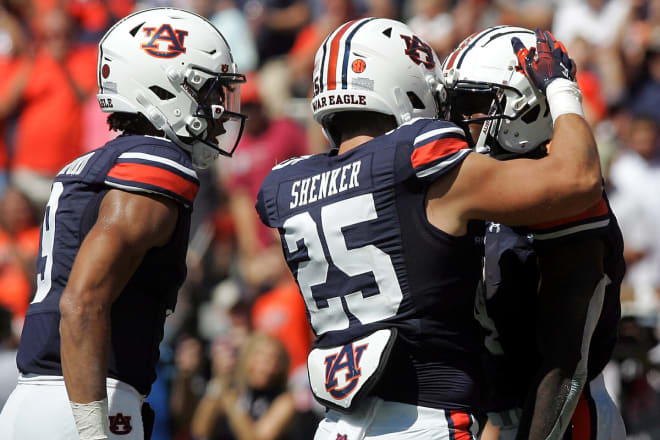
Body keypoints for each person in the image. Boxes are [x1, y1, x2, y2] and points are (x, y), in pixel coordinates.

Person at [255, 18, 602, 439]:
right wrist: (561, 87)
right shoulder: (415, 160)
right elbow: (578, 180)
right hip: (425, 420)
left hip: (336, 426)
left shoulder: (285, 183)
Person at [0, 7, 247, 440]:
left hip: (34, 401)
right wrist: (92, 430)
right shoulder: (157, 161)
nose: (220, 111)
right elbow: (81, 304)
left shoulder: (89, 164)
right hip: (89, 399)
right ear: (167, 89)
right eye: (209, 91)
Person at [439, 26, 626, 439]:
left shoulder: (563, 198)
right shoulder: (480, 184)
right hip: (502, 415)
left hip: (564, 419)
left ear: (525, 108)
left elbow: (565, 367)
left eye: (473, 103)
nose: (459, 119)